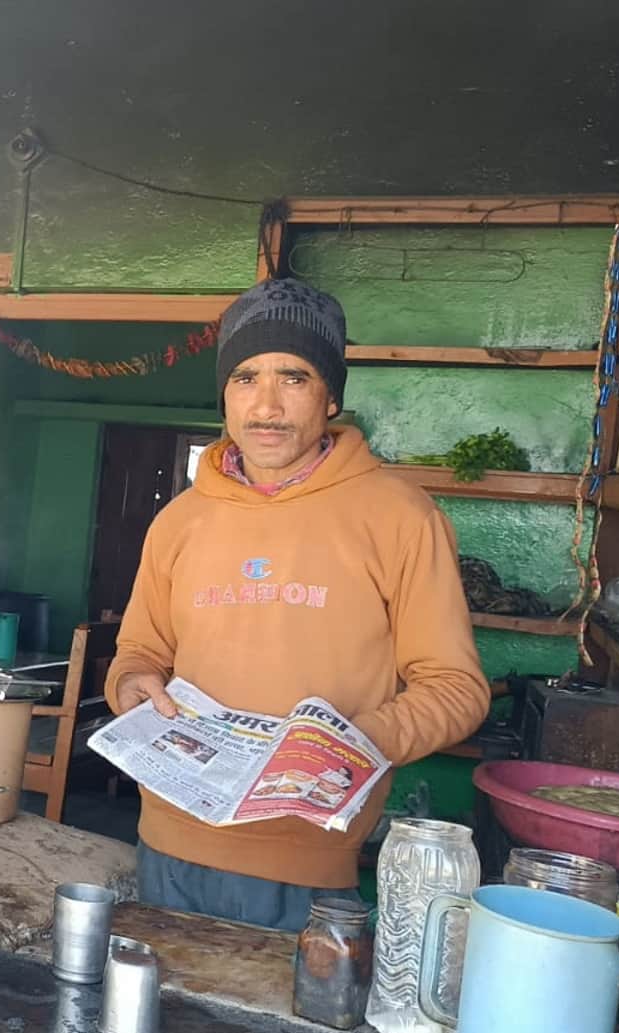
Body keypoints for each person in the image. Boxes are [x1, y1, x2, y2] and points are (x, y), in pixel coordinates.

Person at [103, 277, 489, 932]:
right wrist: (132, 683)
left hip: (309, 862)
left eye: (295, 377)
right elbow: (140, 653)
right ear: (224, 393)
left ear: (331, 394)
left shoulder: (398, 516)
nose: (267, 406)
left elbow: (456, 688)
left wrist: (359, 742)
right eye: (246, 378)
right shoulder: (181, 522)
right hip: (168, 842)